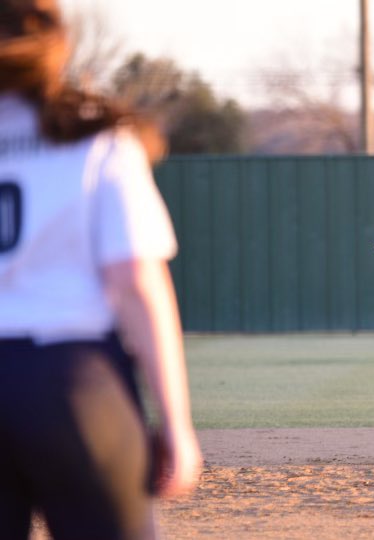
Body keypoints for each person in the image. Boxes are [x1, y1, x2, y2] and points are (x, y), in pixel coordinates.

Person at [0, 0, 202, 537]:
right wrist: (176, 423)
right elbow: (136, 281)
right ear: (55, 40)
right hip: (68, 382)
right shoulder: (95, 133)